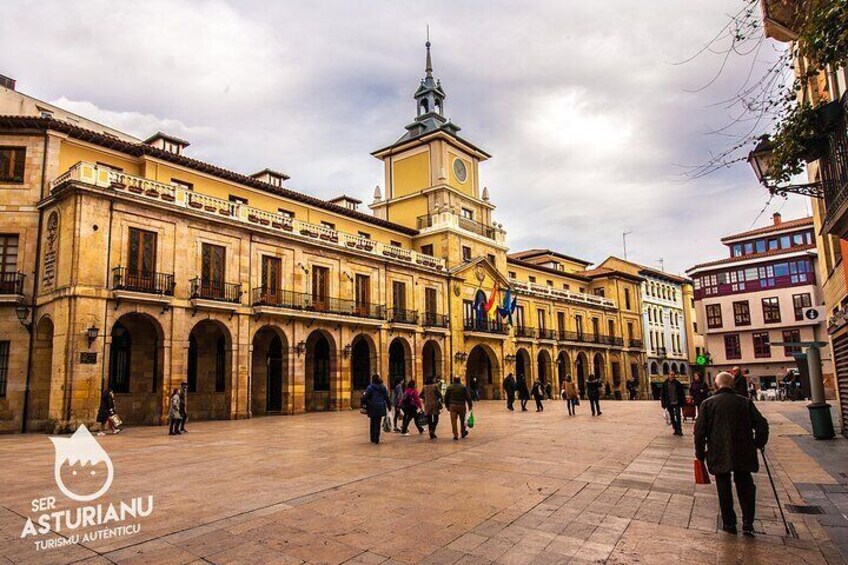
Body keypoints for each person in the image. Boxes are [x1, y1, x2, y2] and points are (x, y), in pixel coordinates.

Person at [695, 372, 769, 537]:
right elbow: (762, 425)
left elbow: (699, 432)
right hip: (744, 451)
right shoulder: (745, 402)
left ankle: (729, 524)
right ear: (733, 385)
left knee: (723, 487)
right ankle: (748, 523)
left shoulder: (708, 404)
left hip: (719, 451)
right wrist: (758, 443)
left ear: (716, 385)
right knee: (746, 486)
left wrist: (699, 454)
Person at [363, 374, 391, 444]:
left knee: (372, 422)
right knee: (378, 423)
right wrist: (389, 406)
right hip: (381, 406)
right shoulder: (382, 387)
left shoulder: (370, 387)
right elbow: (386, 397)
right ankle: (377, 438)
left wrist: (365, 403)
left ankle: (372, 438)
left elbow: (365, 397)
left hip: (372, 407)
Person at [444, 376, 473, 440]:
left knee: (453, 421)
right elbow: (468, 397)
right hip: (461, 406)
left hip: (453, 406)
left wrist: (447, 406)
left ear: (453, 380)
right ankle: (463, 432)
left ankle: (455, 434)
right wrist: (470, 406)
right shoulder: (463, 387)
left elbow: (446, 397)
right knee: (462, 420)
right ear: (459, 380)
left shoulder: (450, 387)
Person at [660, 371, 685, 436]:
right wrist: (663, 403)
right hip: (669, 403)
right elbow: (662, 394)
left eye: (673, 375)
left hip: (677, 402)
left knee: (678, 415)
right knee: (672, 417)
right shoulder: (665, 384)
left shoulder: (677, 383)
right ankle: (675, 429)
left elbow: (682, 393)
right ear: (668, 375)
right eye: (671, 375)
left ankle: (679, 430)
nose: (672, 376)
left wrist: (682, 403)